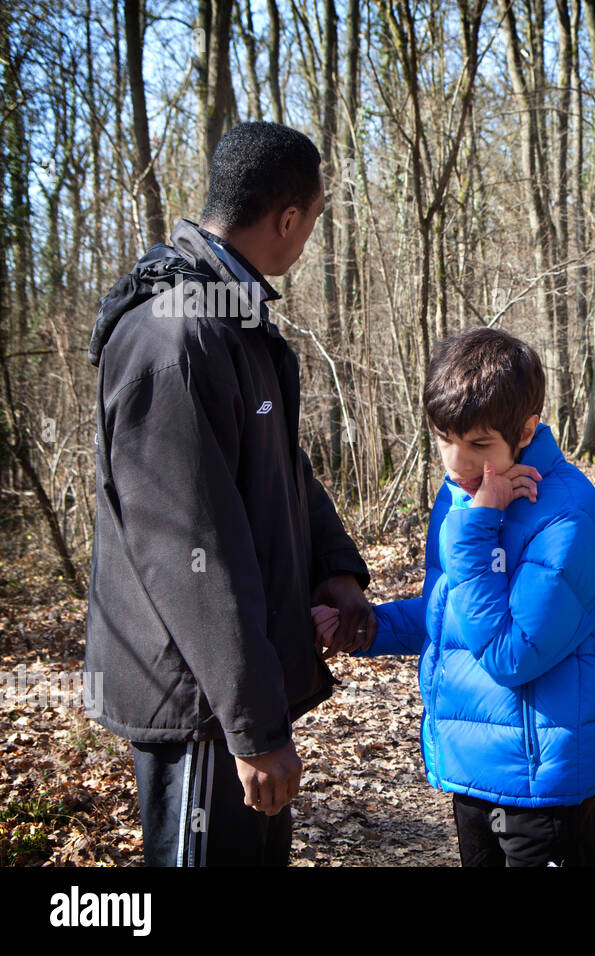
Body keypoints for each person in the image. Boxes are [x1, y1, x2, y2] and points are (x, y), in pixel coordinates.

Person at [85, 121, 376, 867]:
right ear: (287, 218)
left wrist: (334, 568)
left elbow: (280, 465)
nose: (309, 237)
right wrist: (252, 728)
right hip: (199, 708)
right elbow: (189, 547)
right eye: (312, 220)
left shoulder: (233, 317)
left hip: (232, 698)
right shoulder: (173, 340)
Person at [325, 326, 595, 866]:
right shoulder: (467, 497)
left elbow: (512, 653)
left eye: (480, 445)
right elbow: (455, 612)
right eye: (446, 439)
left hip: (542, 782)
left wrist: (473, 531)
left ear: (527, 429)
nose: (458, 462)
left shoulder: (566, 517)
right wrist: (370, 628)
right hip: (475, 767)